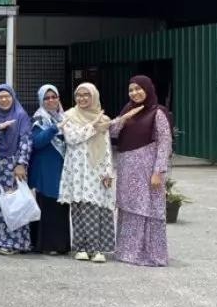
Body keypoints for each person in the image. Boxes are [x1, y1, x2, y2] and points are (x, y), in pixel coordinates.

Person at [111, 75, 172, 267]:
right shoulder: (128, 109)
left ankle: (149, 253)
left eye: (138, 89)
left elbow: (164, 144)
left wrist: (158, 172)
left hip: (147, 171)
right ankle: (127, 251)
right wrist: (122, 119)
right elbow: (112, 133)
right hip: (127, 169)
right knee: (129, 208)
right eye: (131, 90)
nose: (135, 93)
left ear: (148, 89)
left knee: (147, 209)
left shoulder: (158, 112)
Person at [58, 82, 116, 263]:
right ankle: (81, 248)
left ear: (94, 96)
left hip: (95, 168)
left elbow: (107, 147)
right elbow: (72, 138)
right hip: (76, 168)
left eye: (86, 95)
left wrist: (108, 172)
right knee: (78, 206)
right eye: (79, 95)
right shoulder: (68, 115)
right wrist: (92, 125)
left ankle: (96, 248)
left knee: (95, 207)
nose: (82, 98)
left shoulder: (104, 119)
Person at [0, 84, 33, 256]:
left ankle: (14, 242)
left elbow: (26, 140)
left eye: (7, 96)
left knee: (14, 203)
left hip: (14, 166)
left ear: (13, 97)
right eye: (0, 97)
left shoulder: (21, 116)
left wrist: (21, 164)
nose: (4, 100)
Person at [29, 84, 71, 255]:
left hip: (63, 169)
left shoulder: (66, 117)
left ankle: (61, 245)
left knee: (61, 205)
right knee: (47, 205)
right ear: (41, 100)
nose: (51, 100)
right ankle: (45, 244)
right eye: (46, 98)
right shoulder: (39, 119)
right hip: (44, 170)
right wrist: (55, 128)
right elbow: (37, 142)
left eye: (54, 97)